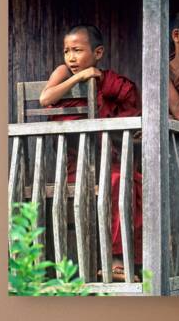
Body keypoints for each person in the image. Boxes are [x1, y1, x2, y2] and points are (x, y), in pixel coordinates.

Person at [39, 24, 141, 278]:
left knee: (128, 181)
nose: (71, 57)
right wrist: (78, 79)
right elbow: (45, 99)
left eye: (77, 50)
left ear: (97, 53)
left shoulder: (109, 82)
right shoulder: (64, 71)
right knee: (117, 180)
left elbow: (126, 107)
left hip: (106, 162)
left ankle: (121, 261)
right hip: (76, 168)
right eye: (66, 51)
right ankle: (113, 261)